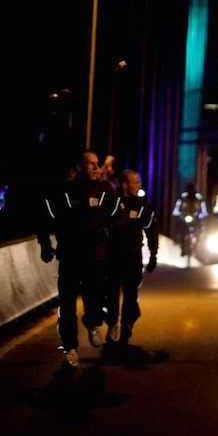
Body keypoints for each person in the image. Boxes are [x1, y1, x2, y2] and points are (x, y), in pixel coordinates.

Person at [37, 149, 120, 367]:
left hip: (96, 257)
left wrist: (108, 231)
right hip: (70, 257)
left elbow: (115, 218)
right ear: (80, 166)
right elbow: (45, 218)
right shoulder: (65, 191)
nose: (95, 167)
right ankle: (70, 347)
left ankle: (92, 323)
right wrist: (45, 245)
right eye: (90, 163)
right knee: (67, 305)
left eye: (97, 163)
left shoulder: (105, 191)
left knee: (94, 299)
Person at [104, 169, 159, 348]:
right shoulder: (112, 203)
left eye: (138, 181)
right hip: (112, 256)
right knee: (111, 292)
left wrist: (153, 254)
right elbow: (102, 225)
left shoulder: (143, 206)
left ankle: (127, 323)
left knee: (130, 292)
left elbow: (151, 230)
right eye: (135, 182)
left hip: (133, 255)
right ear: (125, 184)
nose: (139, 185)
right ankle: (112, 324)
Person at [172, 181, 208, 255]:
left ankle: (197, 244)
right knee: (181, 230)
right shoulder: (183, 198)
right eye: (189, 190)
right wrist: (180, 214)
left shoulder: (199, 199)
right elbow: (176, 210)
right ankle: (182, 246)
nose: (191, 192)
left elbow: (204, 211)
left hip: (195, 219)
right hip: (185, 218)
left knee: (199, 230)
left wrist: (200, 215)